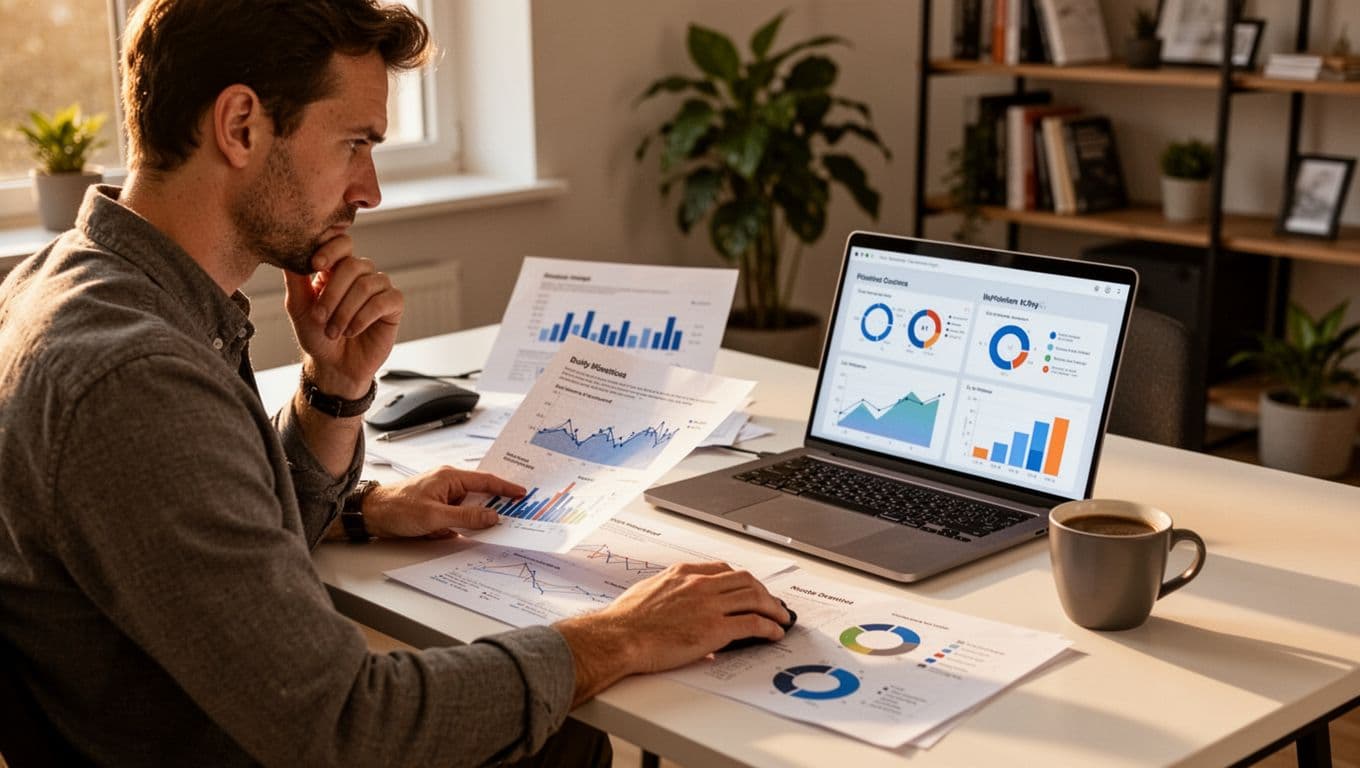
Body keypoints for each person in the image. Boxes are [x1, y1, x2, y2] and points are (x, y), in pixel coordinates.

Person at [0, 1, 790, 765]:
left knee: (560, 735)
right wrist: (623, 633)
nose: (369, 190)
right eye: (355, 143)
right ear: (240, 126)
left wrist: (334, 391)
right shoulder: (137, 379)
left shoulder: (69, 285)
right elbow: (346, 727)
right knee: (563, 735)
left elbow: (192, 535)